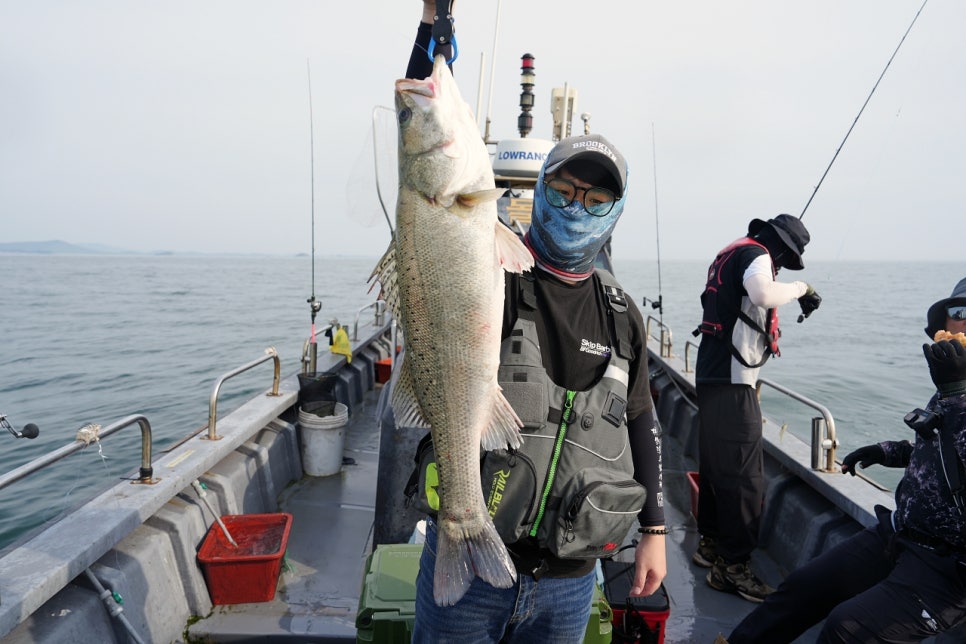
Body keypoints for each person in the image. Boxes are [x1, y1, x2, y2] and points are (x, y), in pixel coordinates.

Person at [405, 3, 667, 642]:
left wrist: (656, 531)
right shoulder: (494, 263)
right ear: (537, 187)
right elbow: (417, 125)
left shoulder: (621, 314)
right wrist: (430, 36)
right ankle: (462, 527)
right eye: (564, 189)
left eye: (597, 198)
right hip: (465, 586)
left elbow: (640, 418)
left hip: (570, 583)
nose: (578, 206)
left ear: (615, 213)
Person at [723, 277, 966, 643]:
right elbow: (941, 452)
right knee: (801, 589)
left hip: (950, 568)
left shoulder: (954, 389)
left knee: (848, 629)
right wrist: (887, 451)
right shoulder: (953, 384)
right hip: (900, 532)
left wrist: (956, 395)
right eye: (959, 312)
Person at [692, 214, 821, 602]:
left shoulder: (729, 253)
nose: (782, 264)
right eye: (787, 257)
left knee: (717, 464)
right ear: (780, 245)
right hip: (733, 382)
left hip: (711, 375)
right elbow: (764, 294)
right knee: (747, 478)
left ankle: (710, 545)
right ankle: (732, 568)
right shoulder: (758, 256)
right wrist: (801, 288)